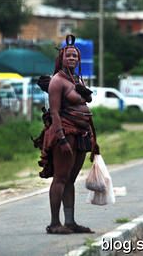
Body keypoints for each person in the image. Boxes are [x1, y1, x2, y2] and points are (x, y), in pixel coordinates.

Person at [32, 34, 99, 235]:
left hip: (81, 134)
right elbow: (54, 112)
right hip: (65, 133)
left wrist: (93, 140)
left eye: (75, 56)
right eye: (68, 56)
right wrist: (61, 139)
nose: (72, 59)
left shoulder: (77, 78)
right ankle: (54, 223)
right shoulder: (57, 81)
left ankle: (70, 222)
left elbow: (85, 103)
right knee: (61, 178)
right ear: (61, 57)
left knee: (71, 179)